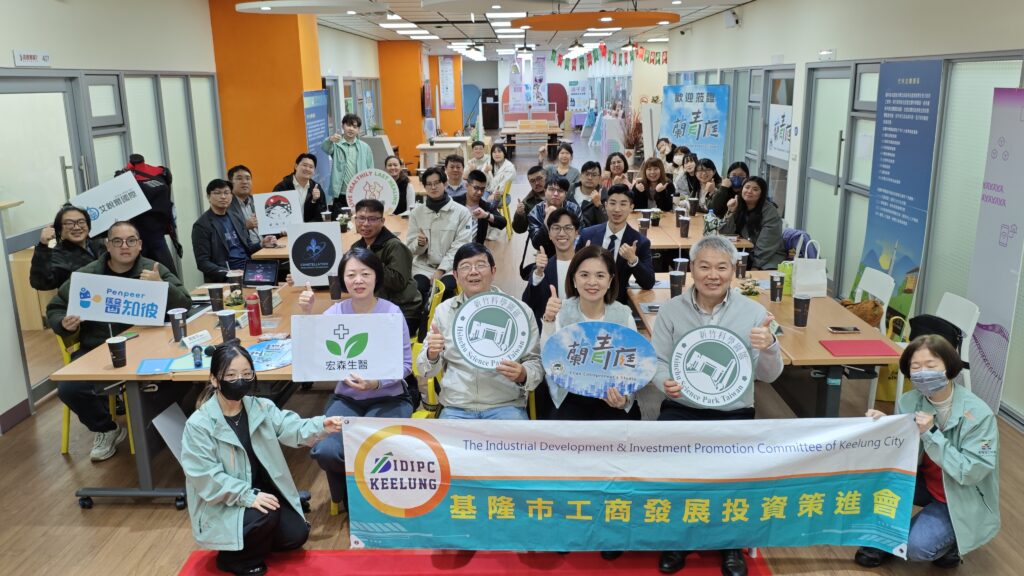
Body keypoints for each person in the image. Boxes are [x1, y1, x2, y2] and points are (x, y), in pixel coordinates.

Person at [650, 234, 783, 576]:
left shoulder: (754, 313)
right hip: (682, 406)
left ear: (733, 270)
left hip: (733, 409)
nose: (713, 275)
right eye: (705, 266)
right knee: (672, 466)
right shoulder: (671, 310)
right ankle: (677, 539)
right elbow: (657, 361)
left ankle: (730, 543)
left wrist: (769, 346)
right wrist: (664, 382)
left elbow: (769, 376)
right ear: (691, 269)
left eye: (721, 267)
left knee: (733, 473)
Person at [181, 344, 343, 576]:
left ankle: (250, 540)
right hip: (224, 501)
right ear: (215, 380)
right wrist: (248, 496)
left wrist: (322, 425)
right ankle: (233, 559)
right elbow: (207, 478)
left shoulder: (260, 407)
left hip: (259, 490)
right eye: (231, 375)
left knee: (296, 535)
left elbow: (292, 428)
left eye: (247, 374)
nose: (240, 381)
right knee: (267, 513)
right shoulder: (199, 425)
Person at [48, 221, 193, 462]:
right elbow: (55, 307)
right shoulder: (87, 276)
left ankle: (161, 427)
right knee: (69, 388)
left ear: (140, 245)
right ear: (108, 245)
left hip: (149, 347)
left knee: (183, 376)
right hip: (98, 348)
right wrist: (63, 323)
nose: (124, 246)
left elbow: (185, 304)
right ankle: (106, 428)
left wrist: (162, 287)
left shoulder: (153, 269)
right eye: (117, 241)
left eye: (131, 241)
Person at [855, 335, 999, 570]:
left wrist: (931, 433)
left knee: (918, 547)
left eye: (931, 365)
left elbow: (971, 472)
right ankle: (881, 541)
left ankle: (953, 544)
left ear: (949, 367)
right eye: (915, 367)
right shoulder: (909, 400)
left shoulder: (979, 415)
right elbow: (902, 448)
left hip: (958, 495)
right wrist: (887, 426)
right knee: (872, 481)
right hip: (924, 481)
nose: (923, 373)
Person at [298, 249, 414, 511]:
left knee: (376, 446)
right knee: (326, 449)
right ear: (342, 279)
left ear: (377, 277)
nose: (358, 280)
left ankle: (368, 498)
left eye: (365, 273)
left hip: (390, 399)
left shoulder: (391, 313)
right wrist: (306, 313)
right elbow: (311, 355)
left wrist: (376, 383)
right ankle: (353, 492)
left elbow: (406, 364)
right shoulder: (334, 314)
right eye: (351, 275)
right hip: (347, 400)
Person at [417, 243, 543, 420]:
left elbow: (535, 362)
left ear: (493, 271)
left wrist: (524, 374)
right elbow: (424, 370)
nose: (473, 272)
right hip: (456, 407)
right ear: (456, 276)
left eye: (480, 265)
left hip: (505, 406)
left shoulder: (518, 312)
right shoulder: (444, 311)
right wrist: (432, 354)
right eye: (465, 267)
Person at [540, 245, 642, 421]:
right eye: (584, 275)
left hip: (611, 393)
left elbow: (635, 365)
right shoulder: (561, 312)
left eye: (600, 275)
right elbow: (548, 359)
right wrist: (549, 320)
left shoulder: (623, 315)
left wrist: (624, 399)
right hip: (570, 393)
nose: (592, 282)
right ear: (574, 279)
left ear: (610, 281)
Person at [407, 166, 475, 313]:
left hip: (450, 267)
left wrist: (441, 269)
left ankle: (440, 322)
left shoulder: (461, 212)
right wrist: (419, 244)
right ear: (424, 187)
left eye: (437, 183)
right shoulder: (417, 213)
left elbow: (460, 246)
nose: (433, 187)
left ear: (445, 184)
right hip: (423, 266)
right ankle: (422, 322)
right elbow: (410, 248)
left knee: (445, 289)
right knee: (419, 288)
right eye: (429, 184)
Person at [349, 199, 422, 334]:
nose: (365, 224)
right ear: (355, 220)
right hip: (376, 309)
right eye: (361, 218)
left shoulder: (395, 246)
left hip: (404, 311)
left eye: (372, 219)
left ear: (382, 221)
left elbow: (398, 283)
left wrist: (371, 262)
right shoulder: (357, 247)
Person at [577, 185, 655, 304]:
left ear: (631, 208)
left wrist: (633, 260)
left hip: (617, 302)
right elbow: (573, 272)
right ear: (606, 205)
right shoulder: (588, 235)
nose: (617, 209)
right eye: (612, 203)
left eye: (623, 204)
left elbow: (648, 283)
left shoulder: (640, 242)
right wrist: (583, 259)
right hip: (586, 300)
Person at [193, 179, 277, 283]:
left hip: (249, 268)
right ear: (208, 197)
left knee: (277, 276)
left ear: (231, 196)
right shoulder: (202, 225)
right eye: (217, 193)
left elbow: (248, 246)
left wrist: (262, 244)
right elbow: (202, 262)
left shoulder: (236, 217)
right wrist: (229, 273)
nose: (223, 197)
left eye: (227, 193)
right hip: (228, 276)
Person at [117, 154, 181, 274]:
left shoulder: (162, 172)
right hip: (136, 236)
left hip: (158, 234)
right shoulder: (122, 177)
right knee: (138, 277)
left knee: (168, 276)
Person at [522, 208, 579, 329]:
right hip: (551, 330)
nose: (562, 233)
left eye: (568, 228)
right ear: (549, 234)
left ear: (576, 233)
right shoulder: (542, 268)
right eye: (556, 228)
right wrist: (538, 273)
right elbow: (527, 304)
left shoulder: (587, 266)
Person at [30, 204, 107, 291]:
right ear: (59, 230)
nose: (77, 227)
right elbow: (41, 283)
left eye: (81, 222)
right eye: (69, 223)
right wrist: (42, 245)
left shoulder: (97, 243)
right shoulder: (58, 255)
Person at [719, 176, 788, 270]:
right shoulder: (738, 205)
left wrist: (756, 266)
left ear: (762, 194)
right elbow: (725, 233)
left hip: (768, 256)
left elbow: (767, 243)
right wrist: (731, 211)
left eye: (755, 189)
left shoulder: (770, 212)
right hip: (744, 253)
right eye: (747, 187)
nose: (749, 191)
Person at [322, 113, 374, 211]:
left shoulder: (365, 147)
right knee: (341, 218)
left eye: (354, 127)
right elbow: (325, 148)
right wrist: (330, 140)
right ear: (343, 126)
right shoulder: (336, 144)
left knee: (360, 217)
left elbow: (370, 169)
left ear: (358, 130)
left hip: (360, 191)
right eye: (348, 125)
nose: (351, 129)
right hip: (341, 192)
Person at [528, 176, 581, 257]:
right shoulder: (535, 212)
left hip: (571, 253)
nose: (555, 194)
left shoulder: (574, 209)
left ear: (566, 193)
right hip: (547, 254)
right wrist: (547, 219)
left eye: (560, 191)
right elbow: (537, 244)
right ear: (545, 191)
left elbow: (579, 235)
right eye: (551, 189)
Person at [454, 170, 506, 244]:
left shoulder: (485, 206)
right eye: (476, 188)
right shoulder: (455, 203)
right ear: (467, 186)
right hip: (455, 247)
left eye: (482, 189)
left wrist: (486, 215)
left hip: (476, 248)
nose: (479, 192)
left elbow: (503, 223)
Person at [271, 153, 326, 222]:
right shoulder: (282, 187)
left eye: (311, 167)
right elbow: (274, 212)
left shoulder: (316, 188)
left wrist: (315, 200)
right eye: (304, 165)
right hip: (288, 227)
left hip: (310, 227)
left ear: (314, 171)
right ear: (296, 166)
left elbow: (322, 214)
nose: (307, 169)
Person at [227, 165, 261, 246]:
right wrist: (244, 226)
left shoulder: (258, 202)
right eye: (239, 178)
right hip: (246, 250)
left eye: (248, 178)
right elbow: (224, 232)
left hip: (265, 245)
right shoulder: (227, 205)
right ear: (230, 183)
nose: (245, 182)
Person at [571, 160, 607, 229]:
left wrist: (599, 205)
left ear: (600, 178)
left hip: (591, 232)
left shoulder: (603, 193)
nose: (590, 178)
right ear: (581, 176)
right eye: (587, 174)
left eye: (594, 175)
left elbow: (606, 223)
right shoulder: (570, 190)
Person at [511, 165, 547, 234]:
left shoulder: (559, 192)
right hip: (541, 236)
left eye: (539, 178)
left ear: (546, 177)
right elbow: (519, 230)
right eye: (532, 181)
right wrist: (519, 214)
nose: (536, 183)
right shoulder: (527, 202)